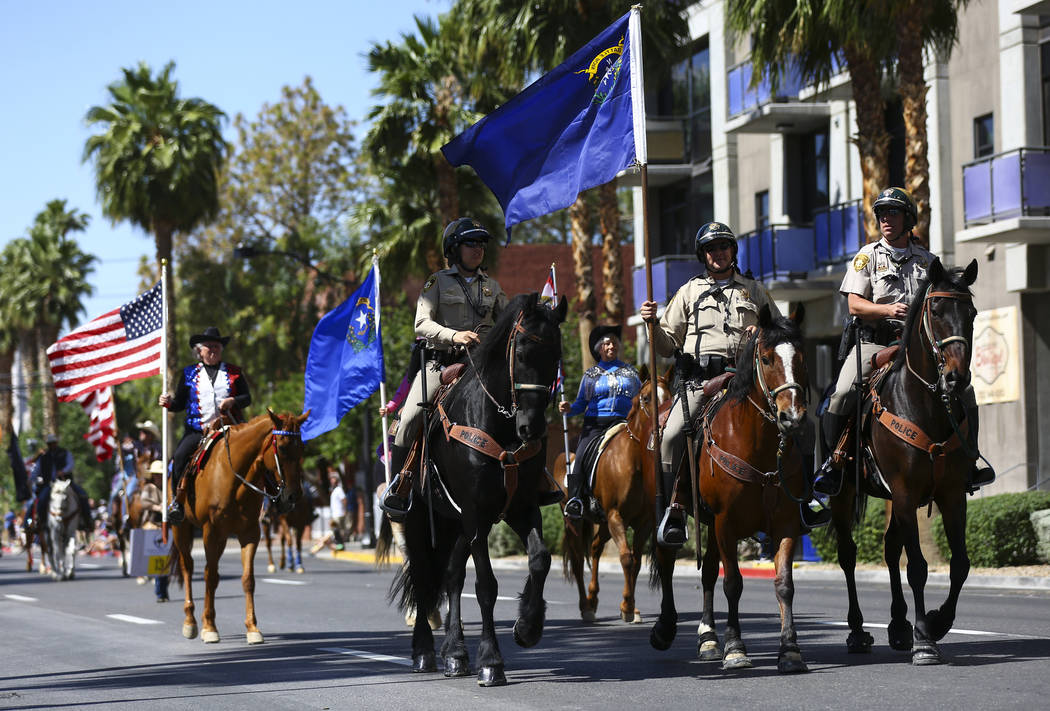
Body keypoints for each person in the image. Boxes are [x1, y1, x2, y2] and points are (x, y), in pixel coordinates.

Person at [640, 221, 829, 548]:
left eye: (724, 246)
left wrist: (766, 334)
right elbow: (667, 346)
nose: (718, 253)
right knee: (671, 435)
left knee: (804, 426)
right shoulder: (688, 292)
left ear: (732, 251)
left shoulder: (753, 290)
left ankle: (805, 500)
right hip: (701, 381)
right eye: (712, 249)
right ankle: (673, 508)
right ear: (704, 255)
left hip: (747, 379)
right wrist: (651, 324)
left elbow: (779, 331)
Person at [816, 187, 995, 495]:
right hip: (875, 341)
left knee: (965, 390)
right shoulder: (867, 256)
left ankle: (970, 459)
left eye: (893, 213)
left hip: (918, 345)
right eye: (882, 214)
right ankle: (834, 463)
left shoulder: (929, 261)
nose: (886, 219)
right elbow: (855, 305)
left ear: (908, 219)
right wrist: (886, 308)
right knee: (843, 392)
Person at [380, 218, 508, 520]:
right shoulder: (436, 282)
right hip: (441, 365)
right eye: (470, 243)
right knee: (408, 420)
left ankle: (535, 479)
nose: (478, 249)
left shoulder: (493, 287)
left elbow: (508, 321)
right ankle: (400, 486)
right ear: (454, 248)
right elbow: (421, 323)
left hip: (481, 367)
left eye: (481, 244)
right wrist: (455, 335)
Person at [159, 326, 252, 524]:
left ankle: (270, 499)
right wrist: (168, 403)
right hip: (198, 430)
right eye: (208, 346)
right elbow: (179, 404)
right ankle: (176, 502)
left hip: (230, 428)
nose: (213, 350)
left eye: (216, 346)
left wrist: (233, 401)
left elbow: (247, 398)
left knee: (256, 453)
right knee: (179, 457)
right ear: (199, 351)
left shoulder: (235, 372)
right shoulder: (189, 374)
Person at [558, 325, 641, 522]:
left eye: (613, 342)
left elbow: (640, 398)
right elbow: (581, 403)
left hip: (623, 423)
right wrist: (569, 409)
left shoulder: (631, 372)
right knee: (580, 455)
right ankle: (576, 499)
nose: (611, 346)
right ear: (599, 349)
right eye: (606, 343)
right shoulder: (591, 375)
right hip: (595, 424)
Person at [32, 434, 93, 532]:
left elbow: (70, 464)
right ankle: (41, 522)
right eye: (50, 443)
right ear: (48, 444)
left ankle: (87, 521)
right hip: (49, 484)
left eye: (53, 443)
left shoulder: (65, 453)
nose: (52, 445)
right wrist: (34, 479)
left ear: (56, 443)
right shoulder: (43, 457)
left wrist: (63, 471)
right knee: (41, 500)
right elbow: (36, 471)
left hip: (65, 482)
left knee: (82, 495)